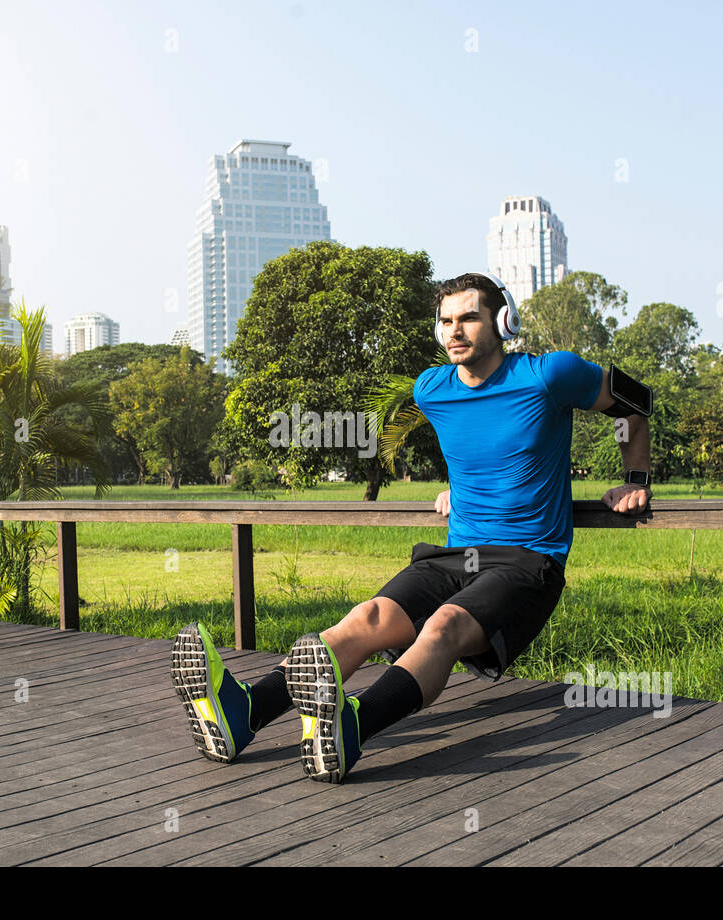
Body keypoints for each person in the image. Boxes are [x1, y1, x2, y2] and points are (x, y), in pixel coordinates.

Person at [171, 272, 652, 783]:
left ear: (503, 320)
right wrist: (457, 487)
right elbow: (480, 446)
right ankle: (243, 712)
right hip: (456, 553)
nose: (455, 331)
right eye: (446, 321)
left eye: (469, 317)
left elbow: (633, 403)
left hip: (527, 560)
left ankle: (353, 725)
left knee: (443, 626)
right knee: (370, 616)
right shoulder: (432, 389)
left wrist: (634, 479)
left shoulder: (549, 375)